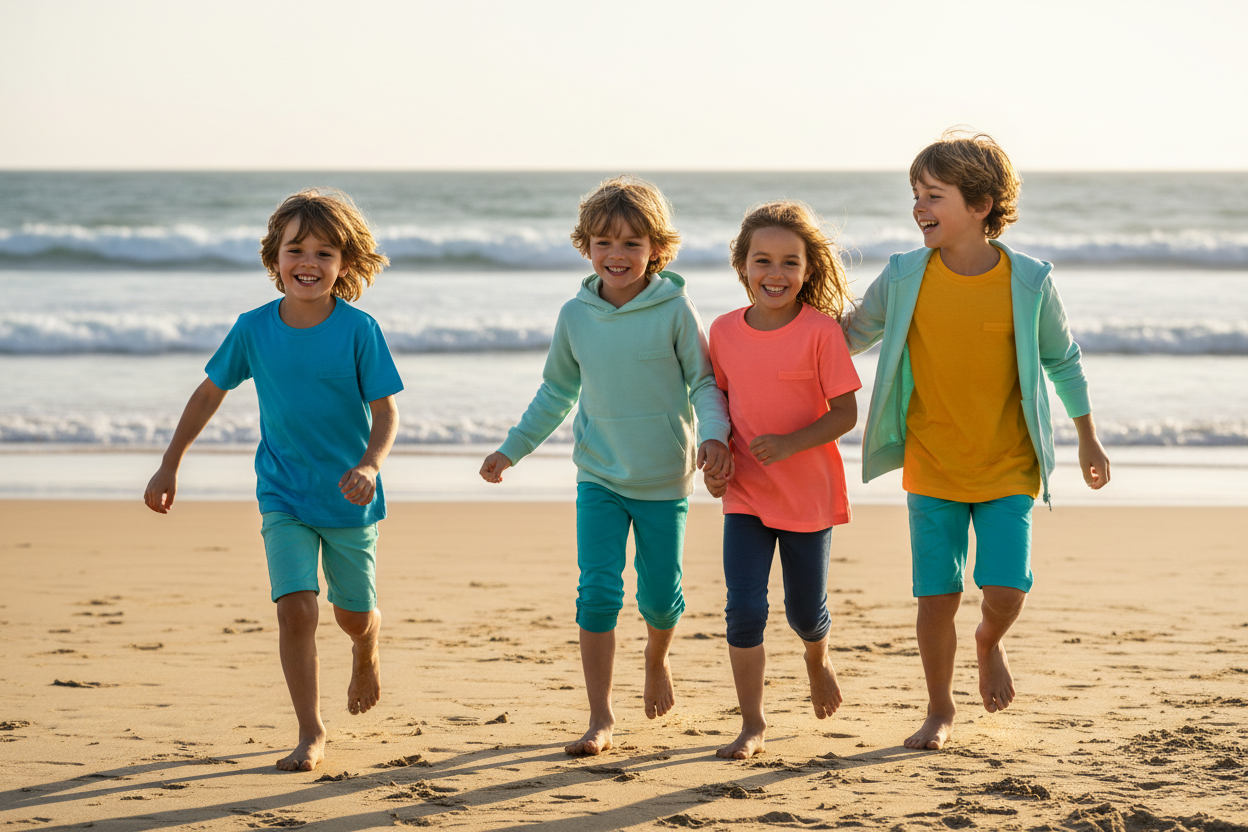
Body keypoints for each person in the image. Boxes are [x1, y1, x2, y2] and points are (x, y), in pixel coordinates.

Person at [843, 131, 1111, 751]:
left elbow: (1062, 360)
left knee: (1006, 590)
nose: (918, 207)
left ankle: (990, 641)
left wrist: (1088, 439)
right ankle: (940, 708)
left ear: (981, 205)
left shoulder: (1029, 281)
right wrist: (776, 325)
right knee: (936, 598)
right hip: (932, 462)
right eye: (915, 194)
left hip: (1008, 464)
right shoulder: (905, 275)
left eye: (933, 195)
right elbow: (850, 335)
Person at [143, 188, 402, 772]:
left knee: (351, 615)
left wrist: (369, 465)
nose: (308, 262)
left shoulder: (359, 330)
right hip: (282, 490)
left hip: (350, 496)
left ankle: (366, 644)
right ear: (274, 258)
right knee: (296, 610)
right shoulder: (253, 328)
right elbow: (209, 393)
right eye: (296, 250)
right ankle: (311, 730)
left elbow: (386, 410)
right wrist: (170, 461)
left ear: (345, 264)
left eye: (325, 253)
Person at [479, 175, 731, 756]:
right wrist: (511, 449)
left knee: (660, 597)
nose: (616, 254)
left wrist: (714, 437)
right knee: (596, 592)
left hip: (663, 478)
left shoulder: (675, 310)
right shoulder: (576, 315)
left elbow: (704, 383)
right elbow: (556, 393)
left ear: (656, 249)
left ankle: (656, 657)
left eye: (631, 243)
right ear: (586, 247)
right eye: (603, 242)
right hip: (598, 475)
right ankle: (600, 716)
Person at [703, 201, 860, 759]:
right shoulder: (723, 331)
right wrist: (717, 456)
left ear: (808, 269)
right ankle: (753, 723)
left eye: (790, 262)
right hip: (746, 492)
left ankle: (818, 657)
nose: (776, 273)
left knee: (803, 611)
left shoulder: (820, 332)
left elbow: (846, 414)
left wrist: (791, 444)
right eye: (762, 260)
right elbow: (719, 405)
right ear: (742, 266)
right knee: (744, 609)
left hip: (808, 495)